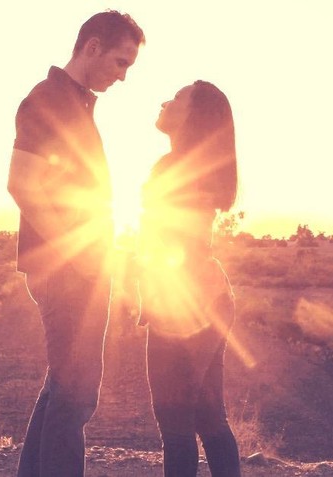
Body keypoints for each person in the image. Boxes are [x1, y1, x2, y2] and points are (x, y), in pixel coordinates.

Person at [6, 10, 144, 477]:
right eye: (121, 62)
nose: (123, 76)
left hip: (82, 267)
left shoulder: (77, 104)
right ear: (92, 47)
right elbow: (23, 183)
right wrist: (75, 255)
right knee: (78, 393)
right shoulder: (47, 100)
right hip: (67, 271)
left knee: (61, 389)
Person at [137, 81, 242, 477]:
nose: (165, 100)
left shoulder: (177, 170)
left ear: (193, 116)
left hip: (185, 304)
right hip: (207, 298)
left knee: (176, 422)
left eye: (177, 97)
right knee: (209, 417)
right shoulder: (196, 169)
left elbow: (178, 241)